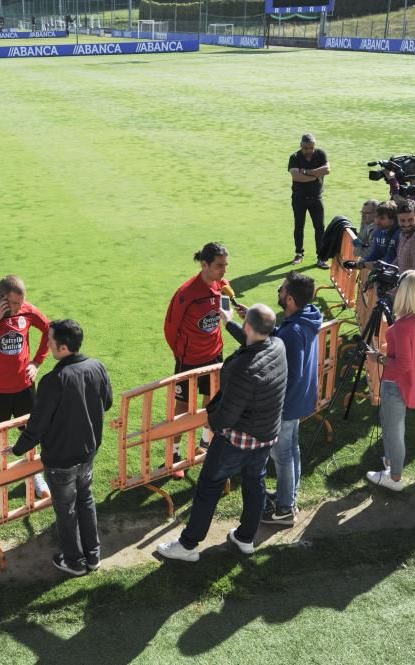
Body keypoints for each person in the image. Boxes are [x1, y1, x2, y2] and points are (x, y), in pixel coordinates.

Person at [157, 305, 287, 561]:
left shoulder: (243, 368)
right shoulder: (278, 345)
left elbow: (226, 415)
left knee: (208, 486)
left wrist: (213, 419)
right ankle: (246, 537)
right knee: (254, 483)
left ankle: (188, 545)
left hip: (237, 440)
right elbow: (256, 344)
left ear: (249, 326)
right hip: (266, 435)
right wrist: (229, 323)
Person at [5, 320, 112, 576]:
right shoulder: (97, 366)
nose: (47, 344)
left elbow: (38, 424)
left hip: (61, 460)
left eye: (50, 340)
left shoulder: (54, 380)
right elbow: (106, 402)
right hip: (88, 452)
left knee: (66, 510)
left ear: (62, 347)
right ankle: (93, 556)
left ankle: (74, 562)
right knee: (85, 501)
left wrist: (17, 449)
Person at [0, 275, 51, 512]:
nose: (18, 308)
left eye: (21, 303)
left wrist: (37, 362)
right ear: (1, 298)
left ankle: (34, 475)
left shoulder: (27, 311)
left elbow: (49, 330)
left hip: (24, 388)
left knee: (32, 432)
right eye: (14, 304)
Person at [365, 271, 415, 491]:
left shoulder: (402, 326)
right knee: (391, 425)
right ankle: (389, 462)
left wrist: (378, 357)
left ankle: (395, 477)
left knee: (393, 430)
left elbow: (401, 366)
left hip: (397, 384)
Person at [164, 243, 231, 473]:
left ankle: (204, 444)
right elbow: (170, 329)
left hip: (215, 355)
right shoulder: (186, 294)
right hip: (189, 359)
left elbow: (223, 295)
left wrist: (231, 304)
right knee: (182, 406)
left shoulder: (220, 283)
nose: (224, 271)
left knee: (211, 401)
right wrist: (181, 352)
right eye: (219, 266)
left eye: (226, 265)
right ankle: (174, 456)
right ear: (204, 265)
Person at [261, 273, 321, 526]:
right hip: (301, 399)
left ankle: (285, 509)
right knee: (291, 449)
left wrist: (274, 403)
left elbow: (291, 372)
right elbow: (284, 336)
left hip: (287, 404)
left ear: (291, 298)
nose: (279, 291)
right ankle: (289, 496)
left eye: (282, 289)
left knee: (282, 454)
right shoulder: (306, 318)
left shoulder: (293, 331)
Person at [288, 133, 331, 268]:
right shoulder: (294, 157)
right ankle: (299, 253)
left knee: (320, 227)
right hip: (299, 198)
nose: (309, 151)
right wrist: (315, 175)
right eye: (306, 148)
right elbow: (296, 177)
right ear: (301, 146)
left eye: (311, 148)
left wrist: (306, 172)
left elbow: (327, 170)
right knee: (299, 225)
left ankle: (321, 257)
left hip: (316, 198)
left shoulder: (321, 154)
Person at [360, 200, 400, 268]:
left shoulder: (399, 234)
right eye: (376, 217)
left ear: (392, 219)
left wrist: (374, 265)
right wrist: (363, 262)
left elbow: (391, 257)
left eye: (382, 218)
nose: (377, 221)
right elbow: (375, 253)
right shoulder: (379, 231)